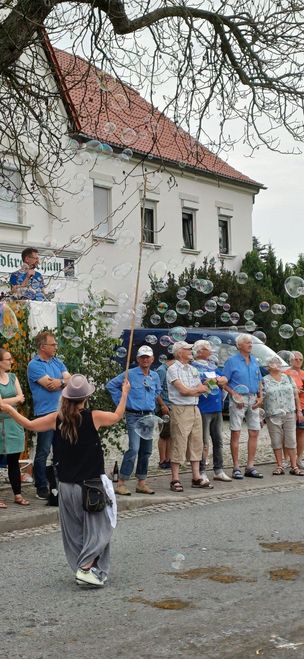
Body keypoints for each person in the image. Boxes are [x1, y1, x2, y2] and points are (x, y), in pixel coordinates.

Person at [0, 373, 130, 587]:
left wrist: (10, 409)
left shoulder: (56, 418)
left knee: (74, 530)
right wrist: (124, 393)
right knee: (101, 528)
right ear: (86, 397)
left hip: (66, 487)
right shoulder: (93, 416)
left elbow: (29, 424)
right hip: (90, 486)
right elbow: (117, 416)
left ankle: (86, 568)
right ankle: (86, 567)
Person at [106, 345, 163, 496]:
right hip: (134, 415)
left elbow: (157, 391)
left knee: (146, 450)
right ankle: (121, 483)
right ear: (137, 359)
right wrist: (122, 401)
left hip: (149, 416)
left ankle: (141, 482)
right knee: (134, 449)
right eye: (142, 357)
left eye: (147, 357)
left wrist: (153, 404)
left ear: (152, 359)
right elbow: (111, 385)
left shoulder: (155, 376)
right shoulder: (129, 374)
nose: (145, 359)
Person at [27, 331, 70, 500]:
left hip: (61, 413)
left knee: (61, 450)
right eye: (53, 344)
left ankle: (59, 482)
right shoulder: (34, 365)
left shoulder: (57, 362)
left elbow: (70, 380)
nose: (55, 347)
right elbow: (48, 386)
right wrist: (62, 382)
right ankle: (41, 485)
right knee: (43, 450)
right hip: (45, 413)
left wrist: (60, 381)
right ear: (42, 347)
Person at [166, 340, 212, 492]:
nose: (191, 352)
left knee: (196, 441)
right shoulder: (173, 369)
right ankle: (175, 479)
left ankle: (196, 476)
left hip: (194, 407)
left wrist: (197, 389)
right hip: (180, 408)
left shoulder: (192, 369)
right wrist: (196, 389)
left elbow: (202, 388)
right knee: (179, 441)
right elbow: (183, 391)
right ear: (180, 353)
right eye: (188, 349)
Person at [222, 334, 263, 479]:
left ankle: (250, 466)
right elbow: (223, 382)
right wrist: (234, 395)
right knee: (236, 432)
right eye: (247, 342)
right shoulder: (231, 362)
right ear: (239, 345)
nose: (250, 345)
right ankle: (236, 467)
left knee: (254, 432)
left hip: (253, 398)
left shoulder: (254, 361)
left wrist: (260, 397)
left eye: (251, 342)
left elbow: (259, 381)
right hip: (238, 400)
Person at [192, 340, 232, 484]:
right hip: (203, 408)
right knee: (203, 442)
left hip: (217, 408)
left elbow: (224, 379)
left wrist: (214, 380)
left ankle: (218, 470)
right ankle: (201, 471)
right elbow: (199, 384)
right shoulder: (193, 367)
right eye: (208, 349)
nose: (211, 351)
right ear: (200, 351)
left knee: (218, 441)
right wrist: (215, 380)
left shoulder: (212, 366)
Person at [262, 356, 304, 476]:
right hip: (272, 414)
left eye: (279, 362)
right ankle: (279, 466)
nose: (278, 364)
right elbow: (262, 397)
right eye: (274, 363)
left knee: (291, 439)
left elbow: (296, 395)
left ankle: (294, 466)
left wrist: (299, 411)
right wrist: (260, 414)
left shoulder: (288, 378)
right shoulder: (264, 380)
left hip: (289, 412)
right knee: (276, 440)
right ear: (269, 366)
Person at [0, 349, 29, 509]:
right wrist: (14, 400)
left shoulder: (12, 377)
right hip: (0, 425)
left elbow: (22, 398)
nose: (11, 361)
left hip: (14, 423)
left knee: (13, 461)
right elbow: (0, 405)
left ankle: (17, 494)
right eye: (7, 359)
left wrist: (6, 401)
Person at [156, 358, 175, 469]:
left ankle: (169, 459)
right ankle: (162, 460)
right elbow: (156, 390)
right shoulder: (162, 371)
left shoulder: (170, 370)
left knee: (170, 434)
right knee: (164, 434)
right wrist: (162, 405)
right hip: (164, 407)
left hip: (171, 405)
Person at [286, 351, 304, 468]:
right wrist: (294, 392)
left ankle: (299, 458)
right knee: (288, 433)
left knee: (301, 432)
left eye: (300, 359)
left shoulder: (303, 373)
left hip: (303, 406)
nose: (298, 361)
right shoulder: (286, 373)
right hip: (290, 407)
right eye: (295, 359)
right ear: (291, 360)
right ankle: (286, 459)